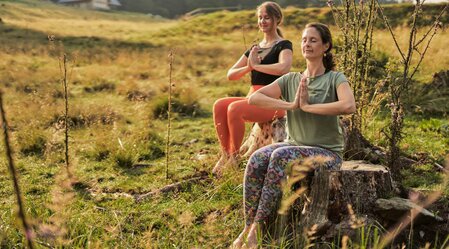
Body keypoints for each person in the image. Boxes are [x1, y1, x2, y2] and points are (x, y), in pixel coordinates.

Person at [231, 23, 356, 248]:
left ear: (326, 46)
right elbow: (254, 99)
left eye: (313, 40)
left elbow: (349, 106)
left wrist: (308, 107)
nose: (306, 44)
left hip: (327, 153)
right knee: (257, 158)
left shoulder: (335, 78)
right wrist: (291, 104)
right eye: (304, 40)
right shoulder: (291, 80)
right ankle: (248, 227)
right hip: (294, 145)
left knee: (279, 155)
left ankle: (256, 232)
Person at [213, 1, 293, 175]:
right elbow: (231, 74)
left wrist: (256, 66)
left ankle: (234, 158)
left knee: (235, 108)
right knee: (219, 104)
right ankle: (226, 154)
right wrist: (249, 67)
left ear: (277, 19)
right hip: (253, 98)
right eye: (260, 18)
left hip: (273, 102)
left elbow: (284, 68)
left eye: (267, 18)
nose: (263, 21)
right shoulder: (255, 48)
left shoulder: (283, 45)